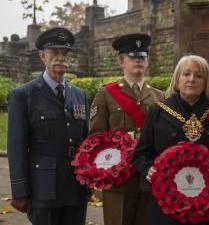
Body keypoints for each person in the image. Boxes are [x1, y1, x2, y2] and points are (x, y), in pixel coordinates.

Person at [134, 54, 209, 225]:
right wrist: (148, 169)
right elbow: (141, 154)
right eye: (186, 74)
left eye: (199, 76)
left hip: (208, 204)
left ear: (206, 81)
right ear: (177, 79)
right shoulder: (158, 112)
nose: (192, 79)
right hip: (166, 202)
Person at [7, 27, 88, 225]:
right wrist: (20, 190)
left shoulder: (79, 95)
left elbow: (86, 142)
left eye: (65, 53)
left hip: (76, 185)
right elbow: (16, 147)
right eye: (54, 52)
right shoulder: (24, 95)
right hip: (43, 186)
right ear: (42, 56)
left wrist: (91, 178)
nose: (60, 57)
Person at [89, 33, 164, 225]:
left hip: (149, 179)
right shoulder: (105, 94)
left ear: (147, 61)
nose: (138, 60)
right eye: (133, 56)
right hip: (119, 180)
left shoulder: (160, 97)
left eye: (142, 57)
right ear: (121, 61)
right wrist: (100, 175)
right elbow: (96, 138)